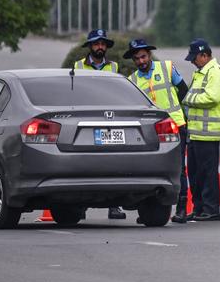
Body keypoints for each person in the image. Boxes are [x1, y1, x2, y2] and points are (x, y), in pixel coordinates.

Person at [124, 38, 191, 224]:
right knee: (146, 168)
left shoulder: (167, 68)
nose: (141, 61)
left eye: (143, 57)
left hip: (175, 126)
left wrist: (187, 118)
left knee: (179, 169)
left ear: (150, 55)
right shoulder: (133, 80)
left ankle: (182, 209)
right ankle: (147, 210)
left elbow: (184, 91)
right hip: (149, 132)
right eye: (137, 59)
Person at [73, 28, 128, 219]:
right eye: (96, 43)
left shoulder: (113, 67)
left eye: (103, 44)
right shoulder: (78, 66)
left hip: (110, 121)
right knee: (84, 164)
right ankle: (79, 206)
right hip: (87, 120)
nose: (100, 47)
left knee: (114, 164)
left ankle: (114, 205)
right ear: (90, 46)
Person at [180, 39, 220, 222]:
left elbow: (212, 97)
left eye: (195, 58)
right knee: (195, 173)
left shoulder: (215, 72)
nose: (193, 61)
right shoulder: (200, 73)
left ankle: (211, 210)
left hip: (209, 133)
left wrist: (189, 98)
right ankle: (199, 208)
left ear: (204, 55)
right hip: (196, 133)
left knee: (207, 174)